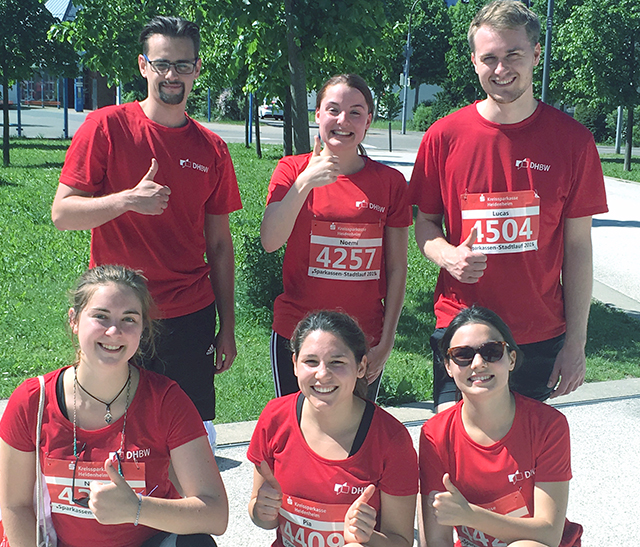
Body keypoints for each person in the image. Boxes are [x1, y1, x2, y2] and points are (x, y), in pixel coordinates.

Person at [409, 0, 608, 412]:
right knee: (454, 461)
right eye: (489, 58)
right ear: (474, 61)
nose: (501, 69)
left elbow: (578, 248)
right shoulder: (443, 137)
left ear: (536, 54)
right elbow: (425, 225)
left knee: (525, 466)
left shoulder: (573, 142)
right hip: (463, 331)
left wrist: (576, 343)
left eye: (513, 55)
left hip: (538, 336)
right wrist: (448, 254)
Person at [50, 16, 243, 440]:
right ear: (143, 66)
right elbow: (63, 213)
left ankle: (183, 504)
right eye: (162, 64)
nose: (172, 75)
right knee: (115, 428)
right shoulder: (106, 127)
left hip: (189, 313)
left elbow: (220, 245)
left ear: (196, 69)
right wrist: (126, 201)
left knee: (189, 435)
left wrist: (227, 326)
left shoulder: (212, 149)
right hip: (120, 310)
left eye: (183, 65)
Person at [0, 265, 228, 547]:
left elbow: (215, 514)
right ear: (74, 320)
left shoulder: (166, 400)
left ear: (143, 328)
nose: (114, 331)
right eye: (101, 316)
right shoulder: (34, 399)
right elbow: (15, 505)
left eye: (129, 319)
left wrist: (136, 509)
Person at [260, 74, 411, 400]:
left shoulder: (390, 183)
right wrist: (305, 182)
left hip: (362, 340)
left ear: (368, 121)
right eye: (333, 110)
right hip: (297, 335)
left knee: (354, 438)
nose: (343, 121)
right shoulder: (291, 170)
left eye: (355, 112)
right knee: (296, 432)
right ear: (318, 115)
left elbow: (398, 268)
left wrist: (387, 340)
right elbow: (270, 241)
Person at [248, 310, 418, 547]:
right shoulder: (274, 417)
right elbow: (263, 516)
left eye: (337, 362)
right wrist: (260, 510)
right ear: (295, 364)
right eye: (311, 361)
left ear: (361, 367)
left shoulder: (391, 439)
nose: (322, 374)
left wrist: (367, 537)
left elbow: (401, 542)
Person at [419, 306, 582, 547]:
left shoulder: (547, 425)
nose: (477, 363)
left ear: (512, 359)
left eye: (492, 351)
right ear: (448, 367)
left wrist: (470, 516)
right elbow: (435, 539)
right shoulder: (435, 434)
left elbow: (548, 534)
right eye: (462, 355)